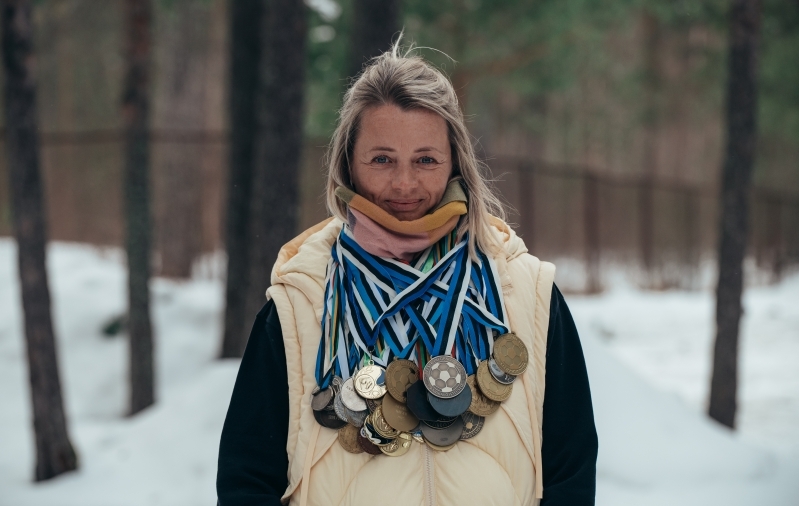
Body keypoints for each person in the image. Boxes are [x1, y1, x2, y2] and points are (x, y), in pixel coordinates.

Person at [217, 42, 597, 506]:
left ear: (455, 163)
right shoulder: (298, 303)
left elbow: (570, 470)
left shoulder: (530, 295)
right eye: (381, 159)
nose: (404, 184)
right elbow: (247, 478)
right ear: (348, 166)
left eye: (425, 160)